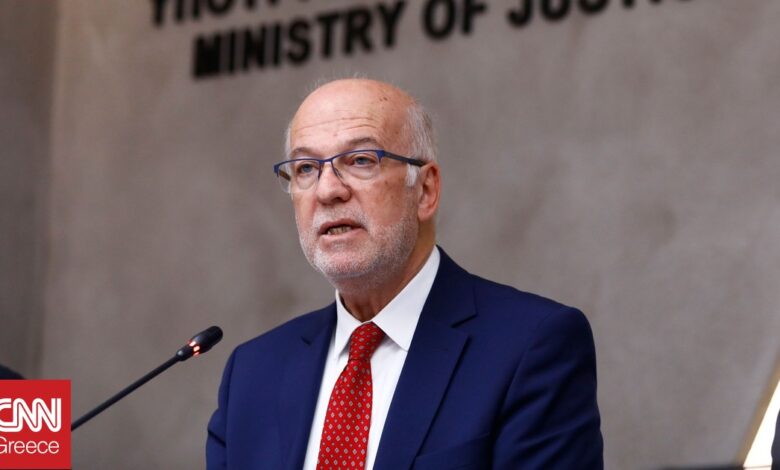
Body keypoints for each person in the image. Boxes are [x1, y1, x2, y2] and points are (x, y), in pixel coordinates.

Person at [206, 78, 603, 469]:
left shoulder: (531, 346)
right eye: (306, 168)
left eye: (360, 160)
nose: (327, 191)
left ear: (425, 190)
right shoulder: (252, 373)